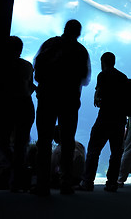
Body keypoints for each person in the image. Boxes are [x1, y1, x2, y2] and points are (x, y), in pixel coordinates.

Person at [33, 19, 91, 196]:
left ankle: (42, 183)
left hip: (47, 98)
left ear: (65, 29)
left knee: (44, 140)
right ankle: (66, 183)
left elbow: (37, 69)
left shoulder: (50, 44)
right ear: (79, 33)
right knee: (67, 142)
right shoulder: (81, 51)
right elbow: (85, 78)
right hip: (70, 102)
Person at [79, 52, 127, 192]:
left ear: (103, 62)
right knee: (116, 152)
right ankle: (112, 183)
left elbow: (99, 94)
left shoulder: (103, 75)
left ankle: (88, 182)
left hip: (105, 117)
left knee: (94, 149)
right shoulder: (122, 77)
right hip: (119, 120)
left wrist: (99, 98)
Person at [0, 36, 36, 192]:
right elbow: (30, 86)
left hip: (9, 107)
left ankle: (17, 176)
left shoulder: (3, 65)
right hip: (25, 106)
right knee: (21, 145)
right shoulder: (27, 65)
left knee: (3, 141)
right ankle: (17, 178)